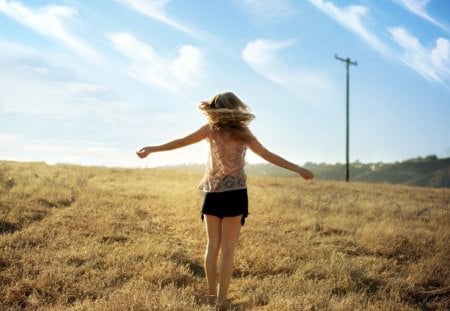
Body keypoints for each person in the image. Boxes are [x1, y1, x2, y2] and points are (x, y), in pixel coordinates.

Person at [136, 92, 313, 309]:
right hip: (235, 193)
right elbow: (268, 155)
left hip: (213, 192)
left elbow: (181, 142)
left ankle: (212, 298)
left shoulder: (211, 130)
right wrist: (298, 169)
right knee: (228, 249)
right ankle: (221, 300)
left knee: (212, 246)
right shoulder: (243, 132)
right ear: (234, 107)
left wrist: (153, 149)